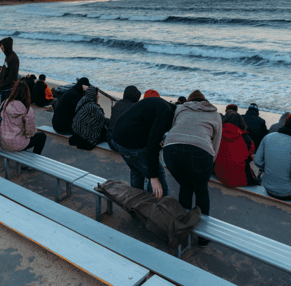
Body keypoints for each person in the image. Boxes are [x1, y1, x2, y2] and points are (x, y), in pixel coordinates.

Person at [162, 90, 222, 247]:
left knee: (185, 185)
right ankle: (202, 237)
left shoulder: (181, 108)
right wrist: (208, 163)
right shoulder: (215, 114)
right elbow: (216, 142)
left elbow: (173, 127)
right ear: (205, 101)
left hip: (171, 149)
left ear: (189, 100)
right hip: (200, 151)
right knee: (201, 190)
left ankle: (183, 231)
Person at [110, 96, 175, 198]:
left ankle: (136, 204)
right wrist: (153, 176)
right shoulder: (167, 114)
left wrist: (158, 139)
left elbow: (146, 124)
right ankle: (157, 207)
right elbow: (151, 145)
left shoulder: (159, 103)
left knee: (136, 171)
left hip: (116, 139)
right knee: (159, 174)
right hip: (131, 145)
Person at [254, 111, 291, 201]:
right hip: (288, 193)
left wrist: (269, 168)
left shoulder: (268, 137)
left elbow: (257, 161)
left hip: (267, 188)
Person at [214, 111, 260, 188]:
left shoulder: (218, 134)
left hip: (219, 174)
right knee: (257, 181)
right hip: (240, 179)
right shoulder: (247, 139)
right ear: (241, 123)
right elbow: (249, 158)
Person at [0, 81, 46, 155]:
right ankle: (35, 159)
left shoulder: (5, 103)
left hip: (3, 142)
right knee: (42, 136)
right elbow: (30, 132)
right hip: (16, 144)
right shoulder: (27, 109)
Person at [0, 37, 19, 102]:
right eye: (0, 46)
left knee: (7, 108)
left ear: (7, 46)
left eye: (2, 46)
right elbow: (5, 70)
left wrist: (4, 84)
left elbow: (12, 75)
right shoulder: (8, 56)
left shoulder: (13, 58)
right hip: (4, 88)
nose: (1, 48)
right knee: (3, 106)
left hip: (8, 89)